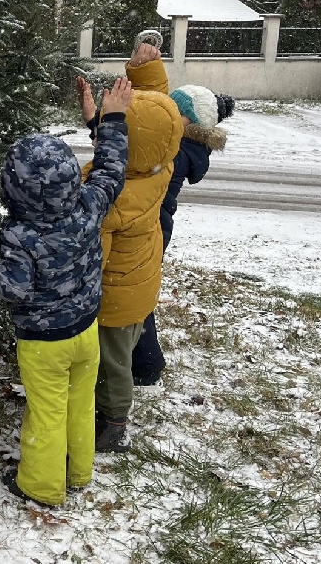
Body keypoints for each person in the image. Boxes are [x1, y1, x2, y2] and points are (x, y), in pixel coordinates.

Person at [0, 78, 132, 506]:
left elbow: (12, 288)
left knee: (46, 412)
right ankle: (79, 471)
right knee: (80, 403)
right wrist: (114, 119)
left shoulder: (17, 233)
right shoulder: (89, 205)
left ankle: (42, 487)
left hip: (44, 343)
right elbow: (109, 169)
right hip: (86, 330)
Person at [76, 46, 184, 453]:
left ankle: (114, 421)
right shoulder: (161, 163)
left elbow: (90, 253)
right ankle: (113, 410)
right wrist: (146, 70)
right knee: (120, 355)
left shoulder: (115, 200)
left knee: (113, 364)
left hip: (114, 298)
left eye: (112, 127)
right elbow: (159, 116)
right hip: (139, 285)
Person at [125, 48, 236, 385]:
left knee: (133, 294)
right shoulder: (180, 142)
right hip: (154, 222)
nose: (167, 115)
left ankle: (145, 365)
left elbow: (145, 131)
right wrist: (145, 70)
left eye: (175, 111)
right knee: (134, 293)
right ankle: (143, 362)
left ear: (190, 123)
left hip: (151, 225)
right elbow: (151, 114)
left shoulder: (175, 152)